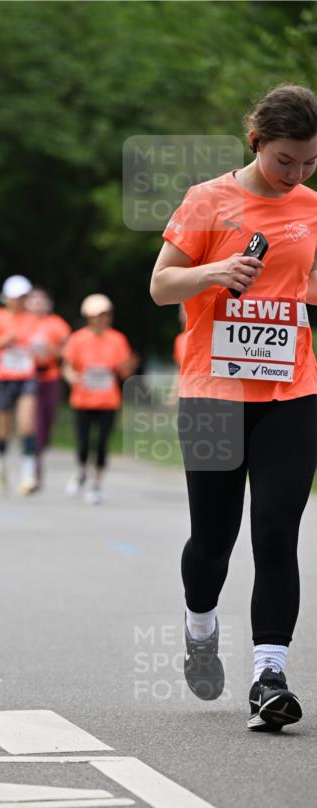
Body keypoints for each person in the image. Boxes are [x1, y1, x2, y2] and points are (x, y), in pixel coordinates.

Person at [149, 83, 317, 732]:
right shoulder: (206, 201)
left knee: (276, 532)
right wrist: (213, 274)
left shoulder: (311, 207)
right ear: (256, 144)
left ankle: (267, 676)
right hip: (213, 395)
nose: (294, 174)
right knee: (212, 540)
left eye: (307, 162)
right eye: (284, 161)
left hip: (290, 391)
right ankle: (199, 624)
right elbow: (161, 284)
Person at [62, 294, 135, 504]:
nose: (102, 319)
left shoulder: (117, 339)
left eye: (105, 315)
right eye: (97, 315)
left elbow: (124, 372)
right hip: (83, 400)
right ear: (88, 317)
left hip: (107, 400)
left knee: (102, 443)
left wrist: (128, 367)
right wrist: (71, 377)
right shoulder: (77, 339)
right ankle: (81, 471)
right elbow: (67, 365)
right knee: (83, 443)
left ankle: (96, 483)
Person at [0, 275, 38, 494]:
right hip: (2, 377)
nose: (21, 301)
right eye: (17, 297)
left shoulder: (33, 320)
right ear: (7, 298)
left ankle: (28, 474)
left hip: (26, 377)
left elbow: (42, 350)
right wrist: (4, 341)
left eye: (24, 297)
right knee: (4, 430)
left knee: (26, 425)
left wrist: (40, 350)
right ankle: (0, 463)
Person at [25, 288, 71, 487]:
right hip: (27, 376)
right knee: (34, 422)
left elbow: (67, 351)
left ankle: (39, 450)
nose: (38, 304)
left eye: (41, 300)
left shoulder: (57, 324)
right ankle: (33, 464)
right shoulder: (23, 323)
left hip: (50, 375)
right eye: (34, 300)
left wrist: (49, 349)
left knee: (47, 419)